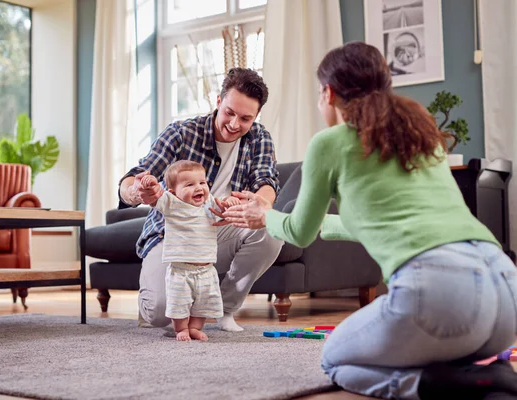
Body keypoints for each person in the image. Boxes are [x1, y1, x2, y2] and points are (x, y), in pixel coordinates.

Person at [218, 42, 517, 399]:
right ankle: (483, 374)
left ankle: (437, 385)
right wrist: (325, 225)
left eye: (318, 93)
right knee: (441, 341)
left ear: (328, 94)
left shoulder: (330, 142)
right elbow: (389, 225)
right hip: (506, 292)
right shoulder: (421, 135)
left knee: (334, 360)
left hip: (442, 296)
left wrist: (265, 216)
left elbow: (297, 231)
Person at [118, 67, 284, 332]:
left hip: (218, 232)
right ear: (218, 102)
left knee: (271, 231)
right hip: (171, 236)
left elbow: (267, 181)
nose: (234, 124)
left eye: (245, 118)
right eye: (229, 113)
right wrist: (137, 191)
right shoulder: (182, 133)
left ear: (256, 116)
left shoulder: (259, 138)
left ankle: (223, 308)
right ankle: (155, 303)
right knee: (161, 316)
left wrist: (262, 204)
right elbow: (134, 178)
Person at [140, 160, 240, 341]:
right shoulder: (171, 203)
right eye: (190, 185)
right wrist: (151, 184)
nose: (199, 188)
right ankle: (181, 329)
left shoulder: (209, 203)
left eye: (202, 183)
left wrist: (229, 202)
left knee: (203, 304)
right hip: (181, 270)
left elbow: (222, 206)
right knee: (179, 303)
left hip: (206, 270)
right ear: (174, 192)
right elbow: (155, 198)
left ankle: (194, 328)